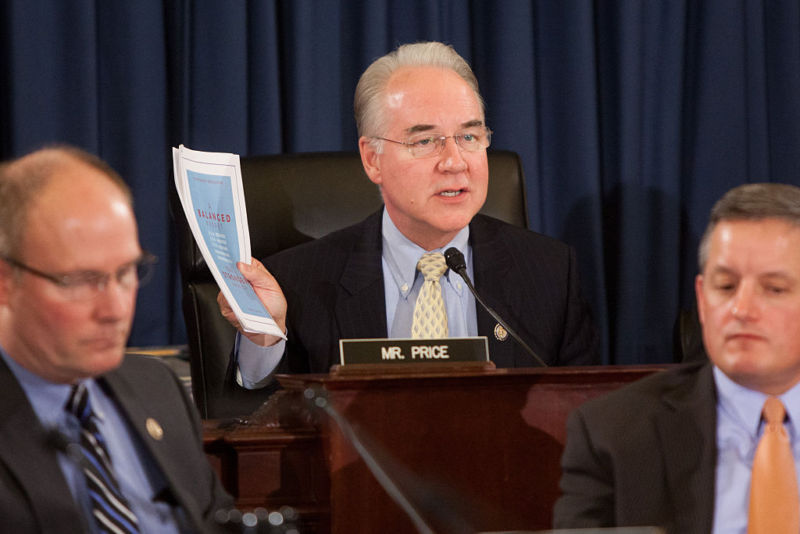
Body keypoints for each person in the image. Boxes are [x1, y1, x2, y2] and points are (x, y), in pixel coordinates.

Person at [220, 41, 599, 389]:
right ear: (373, 160)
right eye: (424, 141)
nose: (454, 162)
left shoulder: (549, 274)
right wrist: (263, 337)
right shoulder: (300, 281)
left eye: (469, 136)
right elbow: (255, 422)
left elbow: (581, 418)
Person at [0, 146, 232, 533]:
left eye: (126, 272)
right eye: (79, 281)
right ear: (6, 283)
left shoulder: (157, 389)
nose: (114, 309)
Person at [553, 182, 800, 533]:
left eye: (773, 288)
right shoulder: (613, 435)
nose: (741, 309)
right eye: (725, 287)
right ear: (701, 298)